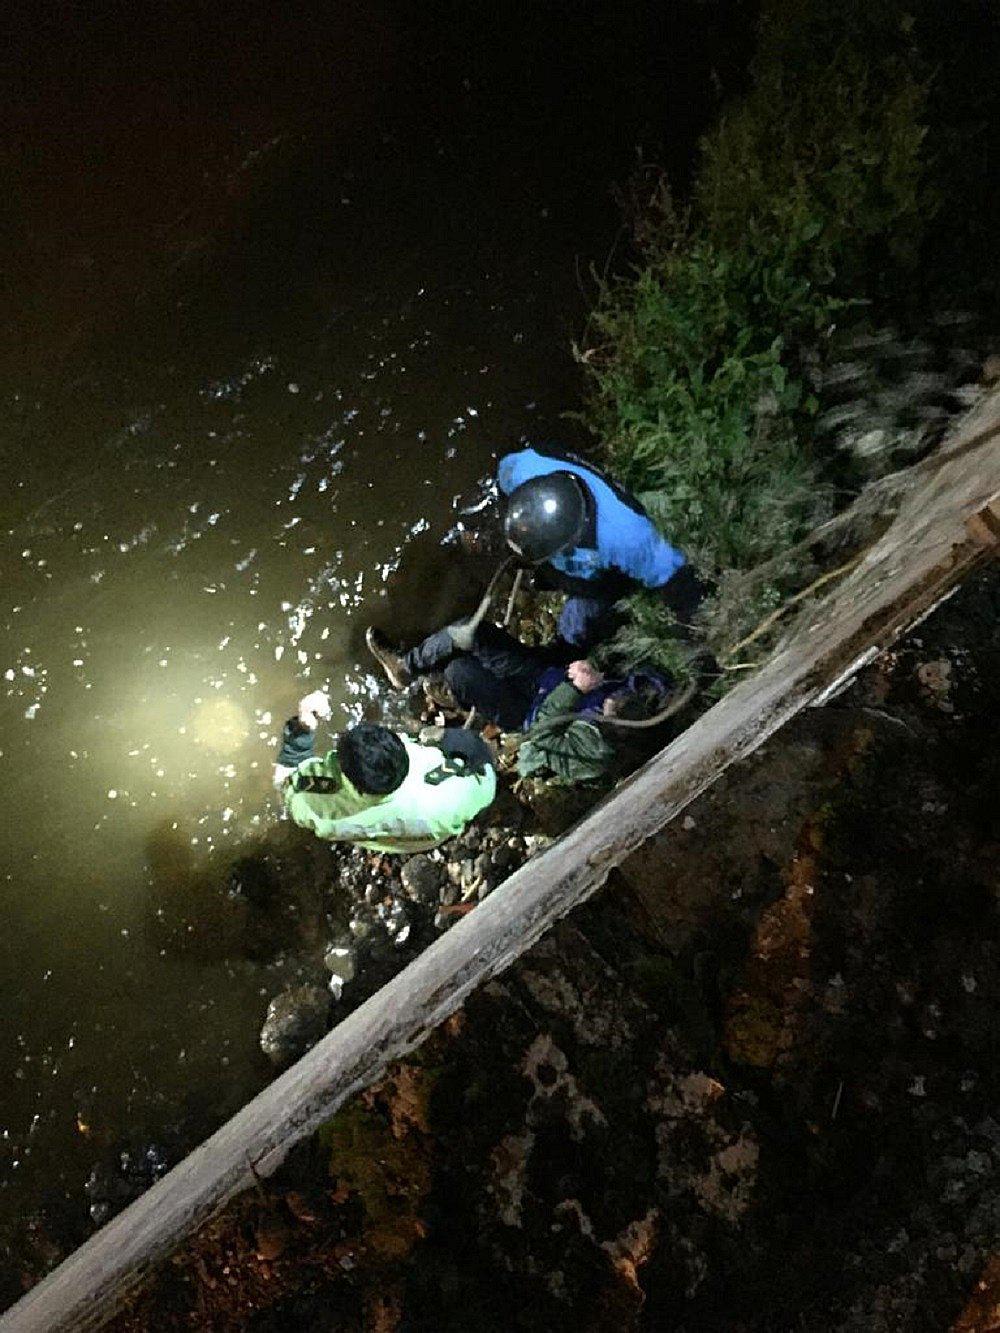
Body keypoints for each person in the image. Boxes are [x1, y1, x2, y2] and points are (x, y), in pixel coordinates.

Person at [365, 625, 669, 783]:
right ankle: (407, 666)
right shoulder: (641, 689)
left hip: (525, 713)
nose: (613, 700)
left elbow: (543, 733)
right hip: (544, 676)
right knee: (474, 632)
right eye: (618, 700)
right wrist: (592, 670)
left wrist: (574, 689)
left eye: (612, 708)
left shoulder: (596, 753)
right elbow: (624, 670)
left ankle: (434, 680)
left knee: (459, 671)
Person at [497, 444, 703, 648]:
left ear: (571, 544)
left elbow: (676, 578)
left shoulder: (628, 538)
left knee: (573, 630)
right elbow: (503, 475)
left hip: (604, 580)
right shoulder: (523, 468)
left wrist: (692, 633)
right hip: (569, 563)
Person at [272, 690, 496, 853]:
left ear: (345, 774)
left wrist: (303, 725)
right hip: (431, 834)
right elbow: (487, 780)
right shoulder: (454, 795)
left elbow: (284, 782)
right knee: (467, 742)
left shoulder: (319, 808)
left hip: (395, 842)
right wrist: (448, 739)